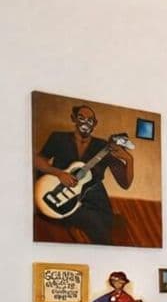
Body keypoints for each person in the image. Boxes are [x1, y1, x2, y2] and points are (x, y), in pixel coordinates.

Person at [34, 104, 134, 244]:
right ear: (73, 118)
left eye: (90, 120)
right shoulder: (58, 137)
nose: (85, 123)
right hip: (58, 192)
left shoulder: (103, 147)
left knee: (102, 225)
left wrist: (129, 159)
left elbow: (125, 184)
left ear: (95, 124)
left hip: (93, 199)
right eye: (81, 118)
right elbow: (37, 160)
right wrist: (58, 173)